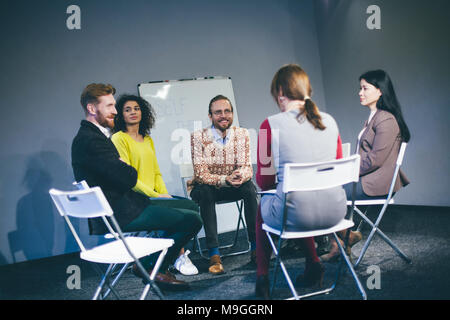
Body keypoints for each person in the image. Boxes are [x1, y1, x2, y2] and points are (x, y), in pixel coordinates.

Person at [71, 83, 202, 290]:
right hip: (121, 212)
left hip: (125, 206)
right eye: (109, 106)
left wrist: (124, 168)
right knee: (192, 219)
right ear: (91, 108)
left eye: (115, 105)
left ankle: (156, 267)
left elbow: (124, 173)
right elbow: (129, 177)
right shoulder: (91, 140)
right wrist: (125, 169)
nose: (115, 111)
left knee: (190, 208)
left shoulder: (93, 137)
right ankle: (151, 266)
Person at [255, 64, 347, 299]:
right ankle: (313, 264)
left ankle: (262, 278)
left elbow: (264, 182)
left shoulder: (269, 125)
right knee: (296, 196)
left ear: (281, 92)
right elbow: (336, 167)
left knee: (266, 205)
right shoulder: (330, 121)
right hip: (336, 213)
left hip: (296, 215)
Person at [320, 69, 410, 262]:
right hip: (368, 178)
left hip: (378, 183)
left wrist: (346, 172)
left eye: (365, 88)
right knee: (326, 191)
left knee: (328, 194)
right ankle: (342, 241)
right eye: (360, 88)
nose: (360, 92)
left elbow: (375, 159)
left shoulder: (385, 118)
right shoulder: (373, 117)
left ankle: (343, 239)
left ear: (380, 91)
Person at [111, 94, 200, 276]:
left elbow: (156, 172)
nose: (133, 112)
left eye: (136, 108)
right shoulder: (119, 138)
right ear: (121, 115)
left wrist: (164, 194)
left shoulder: (147, 139)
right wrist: (155, 195)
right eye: (128, 110)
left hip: (153, 196)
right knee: (187, 212)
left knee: (190, 205)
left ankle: (174, 253)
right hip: (137, 199)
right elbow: (128, 178)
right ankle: (176, 255)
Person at [188, 94, 258, 275]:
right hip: (207, 188)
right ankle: (214, 253)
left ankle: (257, 248)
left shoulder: (242, 134)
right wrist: (223, 179)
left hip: (232, 186)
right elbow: (201, 174)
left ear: (232, 114)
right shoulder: (198, 137)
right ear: (210, 116)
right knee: (205, 191)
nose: (223, 115)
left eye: (227, 111)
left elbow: (246, 167)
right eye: (217, 112)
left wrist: (239, 176)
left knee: (250, 188)